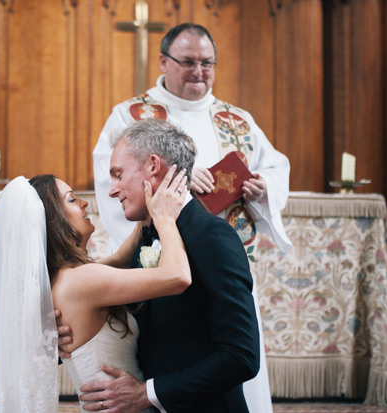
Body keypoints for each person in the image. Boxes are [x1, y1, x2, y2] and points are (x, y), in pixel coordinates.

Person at [92, 23, 290, 412]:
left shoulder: (235, 119)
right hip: (164, 261)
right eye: (188, 62)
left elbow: (276, 165)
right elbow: (115, 187)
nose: (199, 72)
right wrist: (170, 202)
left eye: (208, 63)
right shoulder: (131, 115)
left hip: (217, 250)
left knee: (226, 352)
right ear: (164, 62)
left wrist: (262, 185)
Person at [71, 118, 260, 412]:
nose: (112, 190)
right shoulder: (148, 234)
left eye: (119, 175)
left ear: (153, 167)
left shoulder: (211, 236)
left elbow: (241, 356)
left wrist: (147, 394)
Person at [0, 162, 191, 412]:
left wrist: (147, 208)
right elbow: (177, 276)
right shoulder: (81, 281)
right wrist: (165, 219)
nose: (84, 203)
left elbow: (119, 259)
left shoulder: (63, 278)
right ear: (53, 221)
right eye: (72, 200)